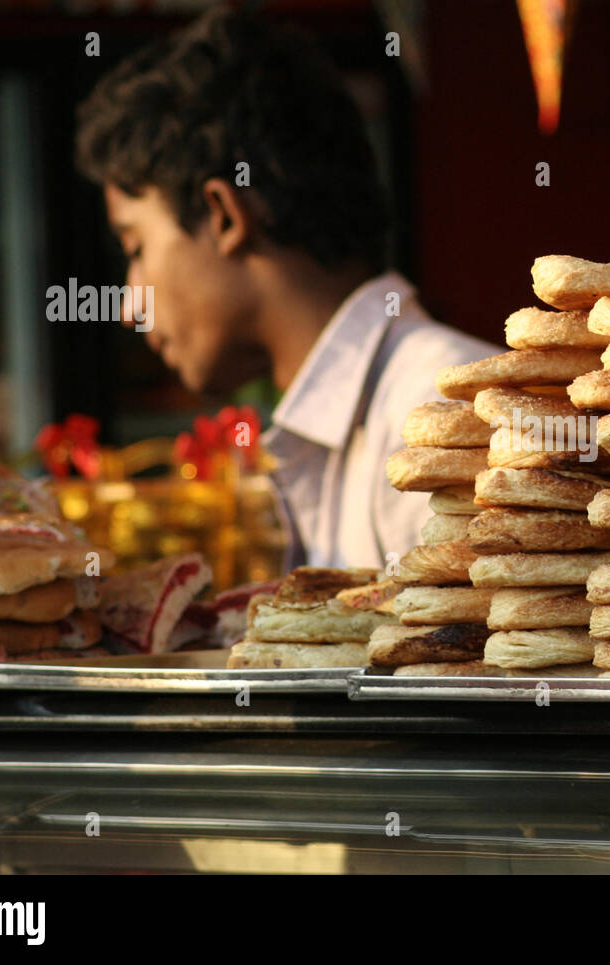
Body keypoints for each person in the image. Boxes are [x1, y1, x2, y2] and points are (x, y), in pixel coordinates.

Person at [74, 8, 494, 569]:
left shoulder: (443, 419)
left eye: (135, 249)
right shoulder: (359, 418)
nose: (128, 307)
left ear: (224, 215)